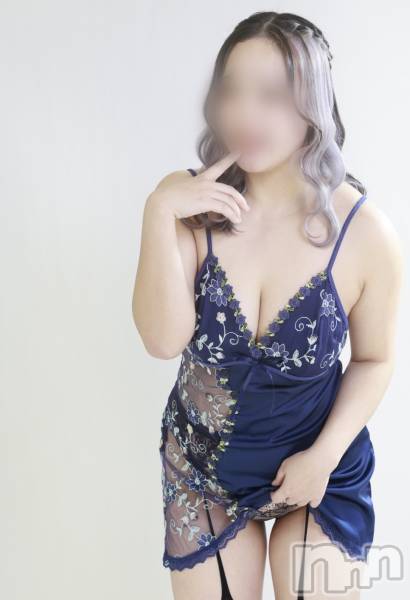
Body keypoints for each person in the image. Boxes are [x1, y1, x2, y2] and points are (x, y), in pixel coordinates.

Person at [132, 11, 403, 600]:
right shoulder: (191, 205)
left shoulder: (365, 233)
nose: (244, 114)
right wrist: (158, 210)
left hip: (318, 466)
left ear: (315, 105)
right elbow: (161, 340)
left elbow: (375, 359)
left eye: (272, 96)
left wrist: (322, 458)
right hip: (202, 470)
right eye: (232, 91)